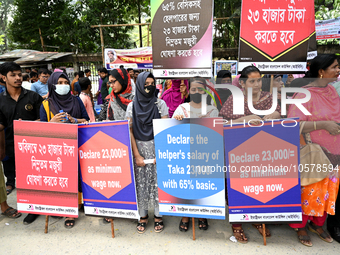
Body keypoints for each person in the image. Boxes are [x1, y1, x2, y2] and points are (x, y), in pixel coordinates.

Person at [219, 65, 281, 243]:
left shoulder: (269, 98)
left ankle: (256, 219)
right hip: (239, 151)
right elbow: (223, 123)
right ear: (244, 83)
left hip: (263, 151)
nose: (256, 84)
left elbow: (281, 113)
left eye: (259, 80)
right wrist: (243, 120)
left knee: (259, 187)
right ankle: (236, 225)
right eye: (252, 81)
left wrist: (275, 114)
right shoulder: (235, 99)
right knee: (237, 188)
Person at [288, 54, 340, 247]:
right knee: (310, 190)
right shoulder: (303, 94)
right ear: (321, 71)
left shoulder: (332, 92)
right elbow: (294, 124)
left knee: (328, 190)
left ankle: (317, 224)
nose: (338, 70)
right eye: (334, 67)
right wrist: (324, 124)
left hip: (335, 151)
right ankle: (300, 226)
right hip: (314, 152)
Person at [40, 71, 89, 228]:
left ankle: (79, 204)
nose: (63, 86)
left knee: (78, 175)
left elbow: (86, 120)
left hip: (77, 144)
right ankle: (68, 210)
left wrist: (75, 120)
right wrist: (52, 122)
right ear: (52, 85)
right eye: (59, 83)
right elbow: (40, 130)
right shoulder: (46, 104)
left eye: (65, 82)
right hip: (57, 149)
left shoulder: (76, 100)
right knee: (63, 178)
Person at [172, 77, 219, 232]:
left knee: (201, 185)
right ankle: (185, 215)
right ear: (189, 90)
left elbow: (217, 135)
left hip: (204, 154)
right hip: (184, 154)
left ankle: (201, 214)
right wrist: (177, 120)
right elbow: (171, 133)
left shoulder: (213, 110)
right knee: (186, 186)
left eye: (200, 89)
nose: (197, 92)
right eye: (193, 89)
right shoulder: (181, 108)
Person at [0, 62, 43, 224]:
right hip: (12, 146)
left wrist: (28, 126)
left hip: (34, 146)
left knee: (37, 178)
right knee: (23, 181)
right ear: (4, 78)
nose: (18, 78)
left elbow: (43, 119)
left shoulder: (33, 97)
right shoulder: (0, 100)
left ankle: (42, 207)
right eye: (13, 75)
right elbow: (1, 125)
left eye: (19, 74)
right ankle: (31, 209)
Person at [126, 71, 168, 234]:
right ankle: (142, 215)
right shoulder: (131, 106)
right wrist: (137, 155)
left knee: (158, 183)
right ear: (139, 85)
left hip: (157, 147)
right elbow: (129, 131)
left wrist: (160, 152)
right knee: (140, 182)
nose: (149, 86)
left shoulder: (160, 104)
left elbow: (165, 130)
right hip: (139, 147)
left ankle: (159, 215)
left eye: (152, 83)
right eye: (146, 84)